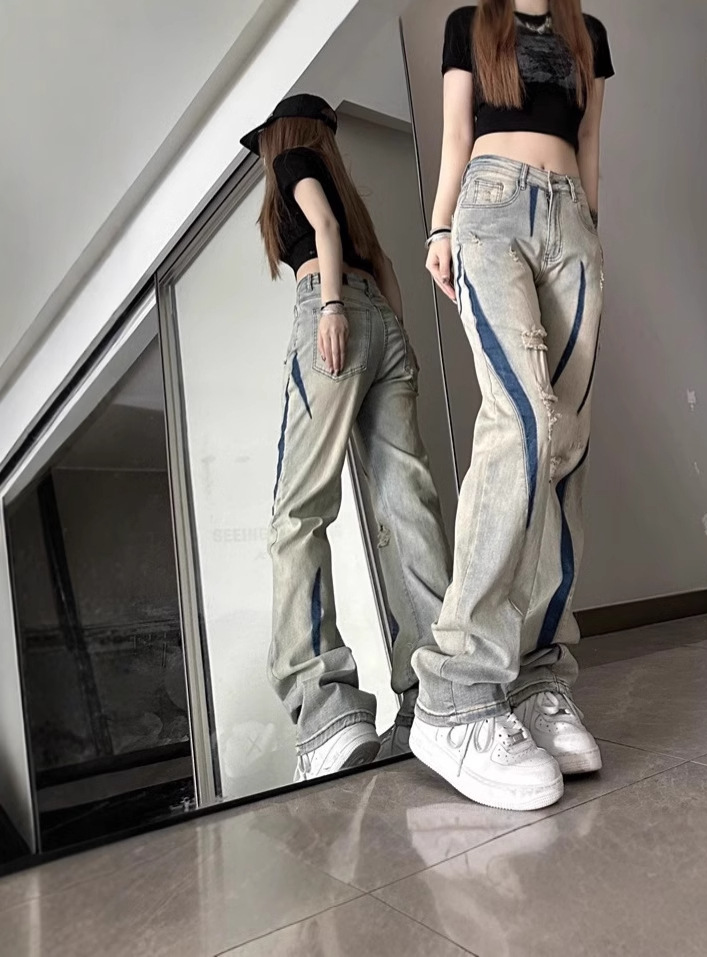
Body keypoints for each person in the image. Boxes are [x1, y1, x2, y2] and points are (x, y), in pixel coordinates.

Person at [410, 0, 613, 810]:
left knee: (565, 442)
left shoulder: (589, 33)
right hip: (490, 207)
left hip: (572, 226)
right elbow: (457, 134)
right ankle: (454, 692)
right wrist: (438, 229)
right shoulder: (469, 22)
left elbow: (590, 142)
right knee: (523, 420)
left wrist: (591, 232)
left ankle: (536, 679)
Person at [240, 94, 451, 781]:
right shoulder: (342, 185)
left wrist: (330, 307)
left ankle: (326, 711)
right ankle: (439, 696)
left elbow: (322, 228)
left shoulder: (292, 162)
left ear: (281, 135)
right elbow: (383, 263)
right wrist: (399, 341)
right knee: (406, 508)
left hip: (332, 315)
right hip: (383, 326)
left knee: (297, 516)